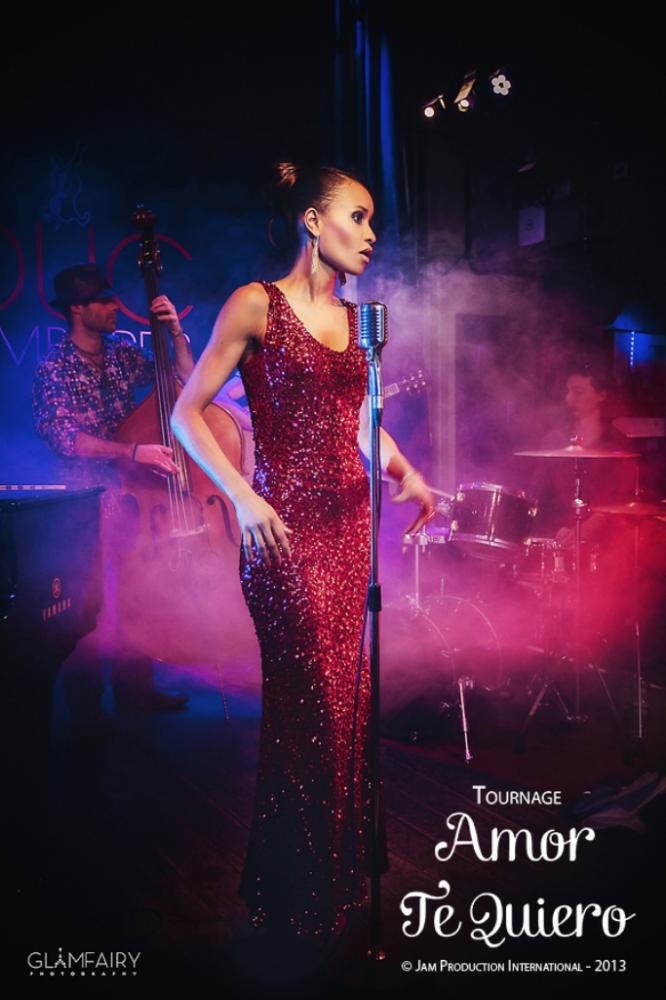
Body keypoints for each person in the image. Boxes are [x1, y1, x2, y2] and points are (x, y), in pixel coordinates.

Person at [170, 162, 433, 947]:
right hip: (282, 534)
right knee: (312, 704)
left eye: (374, 219)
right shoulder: (257, 303)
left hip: (351, 533)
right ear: (313, 221)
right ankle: (301, 892)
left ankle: (324, 884)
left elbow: (358, 424)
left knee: (344, 710)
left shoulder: (360, 321)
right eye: (357, 215)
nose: (371, 233)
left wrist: (407, 472)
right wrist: (242, 495)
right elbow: (187, 413)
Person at [32, 263, 192, 731]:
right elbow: (66, 438)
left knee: (138, 591)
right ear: (77, 309)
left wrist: (175, 334)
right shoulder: (53, 368)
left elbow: (182, 379)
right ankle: (87, 710)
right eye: (102, 301)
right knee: (85, 608)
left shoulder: (122, 353)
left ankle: (135, 690)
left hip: (132, 500)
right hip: (81, 507)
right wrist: (133, 451)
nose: (113, 306)